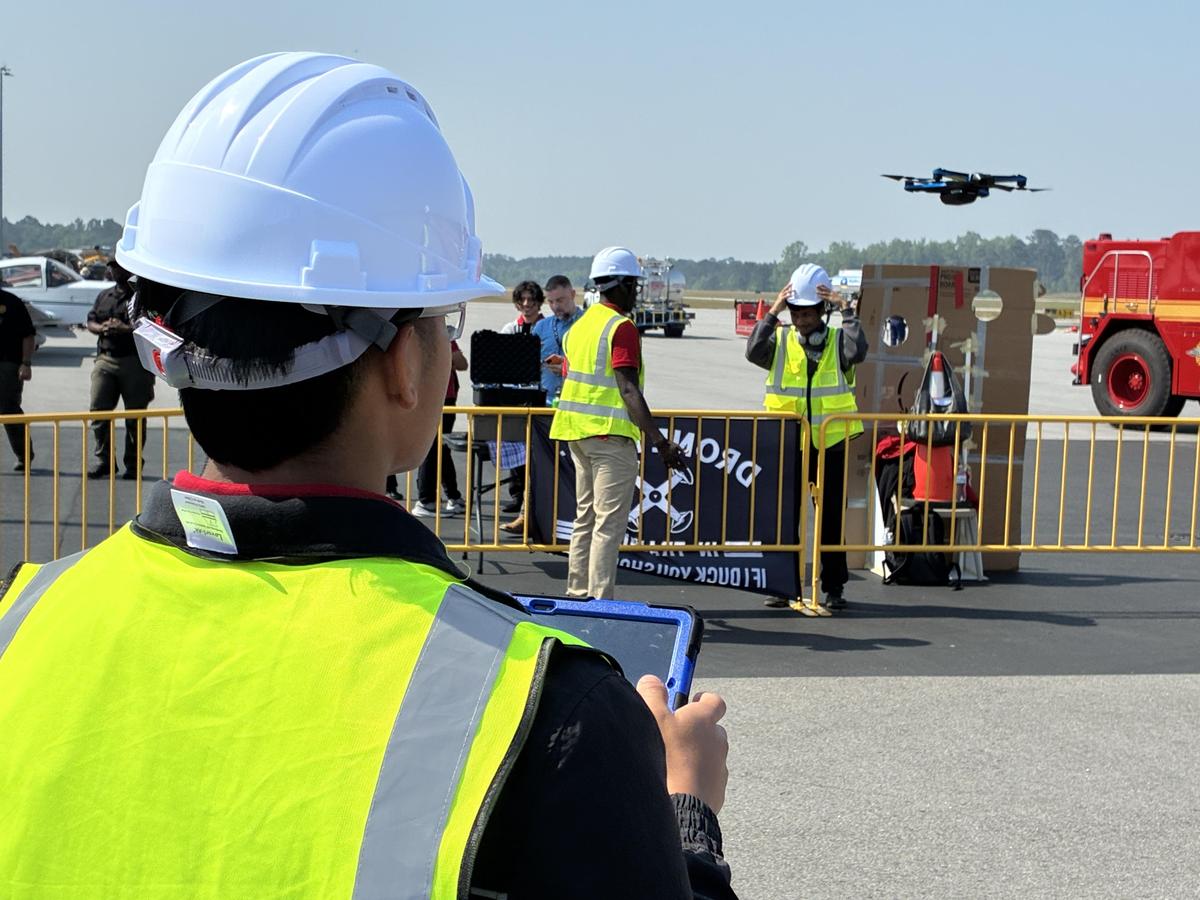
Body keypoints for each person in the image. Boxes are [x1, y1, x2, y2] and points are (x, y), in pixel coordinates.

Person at [0, 53, 735, 899]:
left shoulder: (25, 617)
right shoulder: (554, 710)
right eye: (442, 319)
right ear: (401, 364)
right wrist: (686, 818)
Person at [550, 247, 687, 601]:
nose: (636, 292)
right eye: (634, 285)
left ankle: (577, 594)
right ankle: (599, 602)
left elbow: (571, 376)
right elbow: (627, 388)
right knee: (607, 525)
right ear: (621, 285)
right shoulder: (620, 328)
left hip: (577, 433)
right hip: (609, 438)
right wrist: (660, 442)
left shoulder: (580, 326)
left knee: (585, 518)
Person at [745, 263, 867, 612]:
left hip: (830, 443)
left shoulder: (839, 342)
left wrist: (847, 310)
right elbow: (753, 351)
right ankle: (780, 585)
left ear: (822, 311)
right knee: (783, 518)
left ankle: (834, 587)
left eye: (808, 313)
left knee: (831, 519)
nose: (800, 320)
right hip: (788, 444)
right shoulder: (782, 341)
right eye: (796, 313)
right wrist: (772, 313)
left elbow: (858, 351)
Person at [86, 259, 156, 479]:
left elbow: (153, 325)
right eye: (112, 267)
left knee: (135, 416)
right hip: (106, 359)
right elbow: (90, 321)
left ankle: (133, 464)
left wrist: (125, 328)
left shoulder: (143, 296)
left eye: (119, 266)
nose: (115, 270)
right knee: (98, 411)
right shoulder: (104, 295)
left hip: (135, 362)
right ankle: (104, 461)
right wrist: (102, 327)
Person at [497, 280, 543, 516]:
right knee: (516, 445)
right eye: (522, 300)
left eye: (531, 300)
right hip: (515, 395)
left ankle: (538, 495)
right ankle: (518, 494)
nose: (527, 304)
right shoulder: (510, 329)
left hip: (541, 395)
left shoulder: (547, 328)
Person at [412, 338, 467, 518]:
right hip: (434, 399)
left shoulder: (442, 337)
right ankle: (426, 500)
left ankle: (452, 495)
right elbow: (459, 361)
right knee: (433, 449)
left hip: (442, 398)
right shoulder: (435, 337)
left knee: (442, 448)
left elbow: (462, 363)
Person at [530, 273, 583, 401]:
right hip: (546, 401)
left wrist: (569, 369)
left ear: (573, 294)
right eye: (551, 302)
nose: (555, 306)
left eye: (560, 300)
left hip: (577, 401)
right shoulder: (541, 327)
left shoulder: (588, 324)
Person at [0, 284, 35, 471]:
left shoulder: (12, 302)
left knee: (8, 409)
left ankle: (24, 454)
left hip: (8, 363)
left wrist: (26, 363)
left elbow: (28, 335)